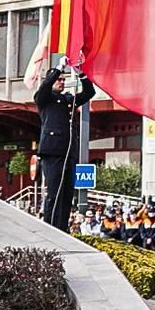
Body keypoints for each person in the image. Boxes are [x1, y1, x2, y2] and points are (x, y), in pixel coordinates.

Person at [34, 64, 96, 231]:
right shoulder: (45, 98)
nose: (61, 82)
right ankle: (50, 228)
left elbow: (89, 93)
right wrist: (58, 68)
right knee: (54, 194)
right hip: (53, 152)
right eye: (59, 79)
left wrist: (82, 74)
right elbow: (45, 87)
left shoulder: (68, 100)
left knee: (67, 195)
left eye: (63, 79)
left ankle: (62, 228)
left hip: (69, 152)